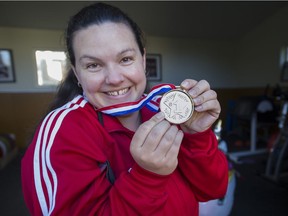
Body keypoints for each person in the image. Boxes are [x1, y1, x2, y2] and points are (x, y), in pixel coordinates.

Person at [21, 2, 228, 216]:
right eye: (93, 65)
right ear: (76, 73)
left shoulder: (166, 110)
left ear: (143, 60)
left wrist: (197, 137)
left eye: (126, 59)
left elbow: (213, 189)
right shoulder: (64, 131)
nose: (115, 78)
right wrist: (147, 176)